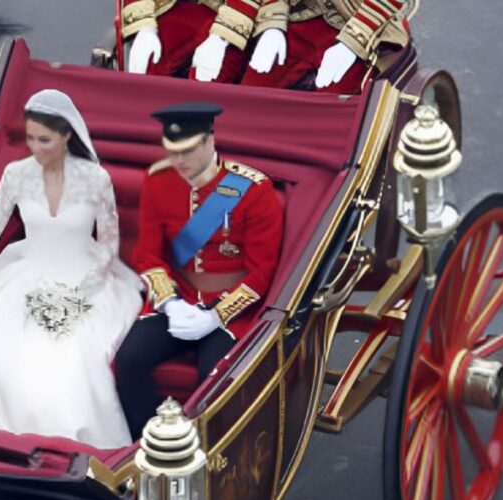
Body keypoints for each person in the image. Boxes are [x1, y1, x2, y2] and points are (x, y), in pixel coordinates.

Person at [0, 89, 141, 449]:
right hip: (22, 275)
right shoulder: (15, 175)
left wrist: (77, 296)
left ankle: (69, 445)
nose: (36, 148)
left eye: (45, 140)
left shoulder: (96, 179)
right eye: (32, 138)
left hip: (85, 278)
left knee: (68, 359)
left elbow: (110, 247)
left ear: (67, 136)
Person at [115, 102, 284, 439]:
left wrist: (216, 316)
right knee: (129, 359)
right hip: (180, 298)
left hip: (232, 308)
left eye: (189, 150)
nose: (180, 161)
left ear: (210, 140)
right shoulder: (159, 182)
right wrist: (170, 303)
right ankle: (145, 445)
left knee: (215, 375)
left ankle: (211, 453)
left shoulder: (253, 190)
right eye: (173, 151)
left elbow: (262, 272)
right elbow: (148, 255)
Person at [243, 0, 411, 93]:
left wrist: (354, 41)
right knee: (245, 102)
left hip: (363, 18)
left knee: (329, 119)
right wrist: (273, 21)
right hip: (299, 12)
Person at [120, 0, 264, 83]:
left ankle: (200, 131)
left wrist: (222, 36)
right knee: (148, 66)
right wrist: (143, 26)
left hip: (227, 11)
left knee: (210, 72)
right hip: (167, 7)